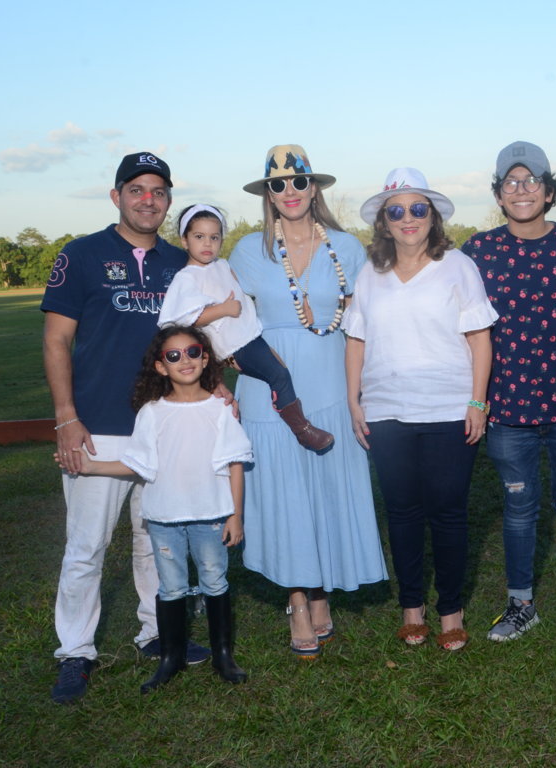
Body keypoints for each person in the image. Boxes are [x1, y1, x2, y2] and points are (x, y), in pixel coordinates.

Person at [42, 151, 211, 704]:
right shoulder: (82, 254)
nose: (148, 200)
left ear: (167, 200)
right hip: (96, 426)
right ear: (116, 195)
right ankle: (75, 651)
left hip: (161, 423)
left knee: (154, 538)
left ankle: (156, 631)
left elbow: (198, 340)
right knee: (86, 546)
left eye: (158, 191)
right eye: (136, 189)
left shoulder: (179, 262)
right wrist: (67, 418)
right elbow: (56, 340)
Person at [230, 145, 386, 658]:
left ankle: (321, 591)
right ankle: (297, 601)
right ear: (267, 195)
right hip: (268, 393)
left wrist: (361, 391)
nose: (290, 193)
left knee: (325, 492)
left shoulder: (347, 247)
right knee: (284, 495)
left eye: (299, 183)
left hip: (331, 384)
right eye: (278, 185)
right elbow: (225, 321)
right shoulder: (249, 252)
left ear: (314, 188)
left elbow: (363, 322)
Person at [344, 168, 497, 652]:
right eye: (396, 211)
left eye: (417, 209)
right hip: (387, 410)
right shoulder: (371, 274)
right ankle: (413, 607)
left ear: (432, 217)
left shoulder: (458, 266)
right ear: (383, 223)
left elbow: (480, 338)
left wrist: (477, 401)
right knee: (403, 512)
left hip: (450, 407)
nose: (407, 219)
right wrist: (353, 399)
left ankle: (450, 608)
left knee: (449, 511)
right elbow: (356, 339)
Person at [55, 325, 254, 692]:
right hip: (164, 520)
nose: (185, 360)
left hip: (211, 516)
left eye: (193, 352)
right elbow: (137, 464)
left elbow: (235, 464)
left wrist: (235, 515)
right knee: (172, 587)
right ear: (161, 367)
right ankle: (170, 657)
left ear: (206, 357)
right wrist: (91, 466)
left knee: (214, 581)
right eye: (173, 356)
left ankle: (223, 656)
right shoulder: (151, 413)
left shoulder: (220, 409)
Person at [461, 140, 556, 641]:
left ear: (549, 192)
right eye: (511, 182)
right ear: (499, 195)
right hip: (506, 404)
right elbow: (454, 318)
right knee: (518, 507)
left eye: (532, 181)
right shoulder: (477, 251)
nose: (522, 190)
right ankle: (521, 604)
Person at [159, 204, 333, 451]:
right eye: (199, 237)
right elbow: (182, 319)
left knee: (279, 370)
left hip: (248, 335)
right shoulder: (187, 278)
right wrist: (223, 310)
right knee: (278, 374)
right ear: (184, 241)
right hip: (232, 344)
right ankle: (302, 430)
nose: (207, 244)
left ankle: (283, 422)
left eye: (214, 237)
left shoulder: (220, 266)